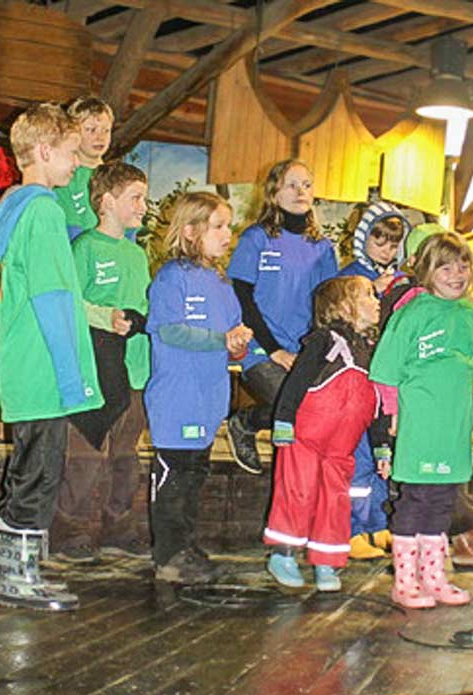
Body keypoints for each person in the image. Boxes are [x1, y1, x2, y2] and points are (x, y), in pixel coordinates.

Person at [0, 102, 103, 612]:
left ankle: (22, 570)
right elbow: (52, 300)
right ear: (45, 152)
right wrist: (72, 378)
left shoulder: (20, 206)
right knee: (38, 476)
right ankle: (15, 579)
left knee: (31, 470)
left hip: (25, 366)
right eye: (71, 153)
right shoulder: (45, 211)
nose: (76, 163)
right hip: (44, 368)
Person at [369, 232, 473, 610]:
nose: (456, 275)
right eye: (445, 268)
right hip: (419, 422)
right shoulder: (412, 313)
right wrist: (392, 416)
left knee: (443, 500)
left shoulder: (469, 314)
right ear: (426, 271)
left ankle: (433, 577)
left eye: (463, 266)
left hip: (453, 424)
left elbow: (468, 358)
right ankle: (405, 581)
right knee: (416, 498)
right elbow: (385, 371)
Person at [145, 192, 252, 583]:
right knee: (174, 479)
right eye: (218, 226)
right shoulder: (172, 278)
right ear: (190, 231)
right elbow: (169, 330)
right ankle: (169, 557)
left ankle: (186, 548)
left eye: (229, 226)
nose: (228, 235)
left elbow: (233, 332)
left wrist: (238, 344)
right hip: (177, 398)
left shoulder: (222, 283)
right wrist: (220, 340)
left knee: (194, 478)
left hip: (209, 398)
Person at [51, 160, 151, 560]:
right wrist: (104, 316)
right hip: (95, 368)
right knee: (86, 453)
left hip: (135, 371)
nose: (144, 206)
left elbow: (145, 304)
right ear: (107, 201)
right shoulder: (85, 248)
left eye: (144, 198)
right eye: (136, 198)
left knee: (126, 456)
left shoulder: (137, 254)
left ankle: (119, 527)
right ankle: (67, 529)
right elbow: (69, 302)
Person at [264, 275, 388, 592]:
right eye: (368, 295)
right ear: (344, 306)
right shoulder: (325, 340)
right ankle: (283, 555)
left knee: (335, 502)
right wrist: (284, 420)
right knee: (298, 493)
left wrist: (381, 446)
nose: (376, 301)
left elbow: (377, 403)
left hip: (341, 449)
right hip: (304, 440)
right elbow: (297, 381)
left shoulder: (372, 352)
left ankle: (326, 563)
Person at [224, 159, 337, 475]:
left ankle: (251, 423)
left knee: (313, 413)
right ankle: (245, 421)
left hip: (305, 350)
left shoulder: (322, 247)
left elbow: (328, 303)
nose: (301, 191)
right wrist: (273, 349)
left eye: (307, 185)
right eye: (292, 185)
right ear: (274, 192)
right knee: (294, 408)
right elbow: (242, 297)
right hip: (261, 348)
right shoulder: (256, 238)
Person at [337, 202, 410, 561]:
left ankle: (378, 524)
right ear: (363, 237)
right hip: (357, 376)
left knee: (382, 453)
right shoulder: (350, 278)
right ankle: (350, 530)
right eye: (379, 240)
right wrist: (373, 291)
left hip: (385, 377)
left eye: (394, 243)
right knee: (358, 456)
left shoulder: (399, 279)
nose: (386, 250)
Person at [54, 96, 113, 240]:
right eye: (91, 130)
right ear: (73, 132)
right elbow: (69, 231)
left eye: (106, 130)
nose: (100, 137)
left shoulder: (117, 177)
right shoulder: (64, 178)